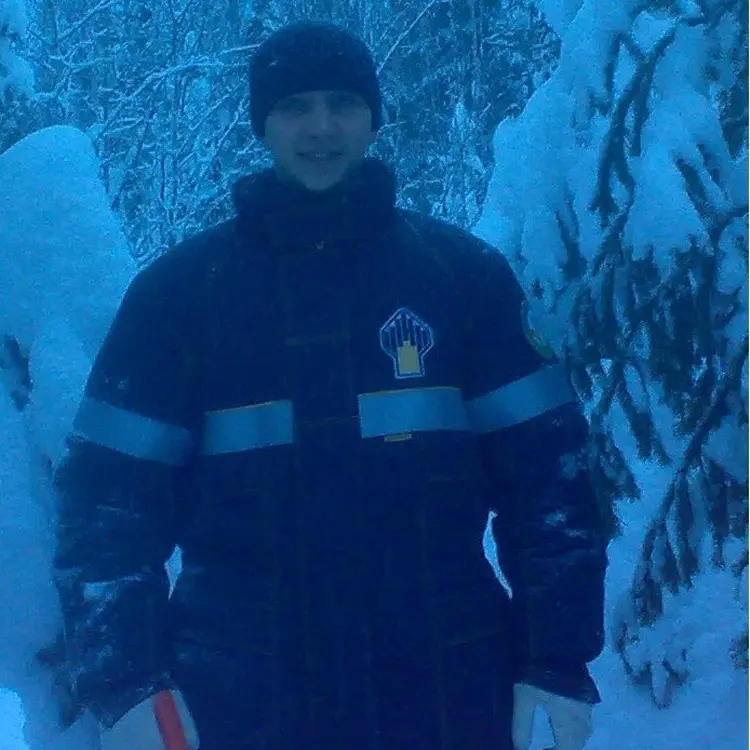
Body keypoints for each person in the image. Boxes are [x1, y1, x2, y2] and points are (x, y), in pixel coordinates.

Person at [50, 20, 608, 750]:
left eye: (343, 102)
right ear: (262, 124)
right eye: (295, 106)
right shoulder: (180, 297)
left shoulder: (462, 281)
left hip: (447, 688)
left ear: (374, 118)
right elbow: (107, 509)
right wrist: (127, 683)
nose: (321, 127)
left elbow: (551, 488)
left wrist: (555, 660)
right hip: (240, 697)